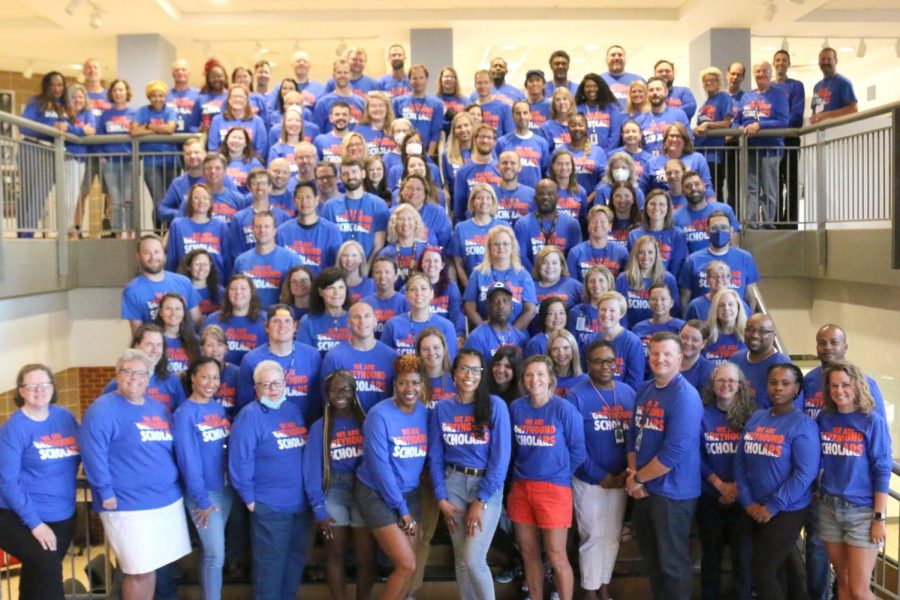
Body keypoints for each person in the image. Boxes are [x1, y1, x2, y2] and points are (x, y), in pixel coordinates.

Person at [81, 350, 192, 600]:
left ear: (149, 377)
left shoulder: (157, 408)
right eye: (128, 371)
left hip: (165, 502)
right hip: (127, 504)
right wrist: (104, 490)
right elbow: (93, 453)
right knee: (137, 571)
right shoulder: (102, 409)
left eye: (141, 373)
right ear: (117, 375)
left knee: (148, 568)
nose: (134, 378)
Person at [625, 332, 703, 600]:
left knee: (672, 563)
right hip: (645, 488)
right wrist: (634, 475)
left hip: (673, 493)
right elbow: (633, 436)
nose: (660, 359)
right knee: (653, 561)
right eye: (655, 353)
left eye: (667, 354)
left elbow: (674, 452)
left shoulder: (685, 396)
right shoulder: (645, 389)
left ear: (680, 359)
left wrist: (639, 479)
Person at [429, 349, 511, 600]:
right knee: (462, 559)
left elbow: (501, 458)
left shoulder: (495, 406)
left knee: (474, 559)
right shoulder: (442, 408)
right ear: (454, 372)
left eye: (476, 370)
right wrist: (441, 497)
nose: (469, 375)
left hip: (485, 485)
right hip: (452, 483)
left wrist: (482, 499)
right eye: (464, 368)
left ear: (482, 375)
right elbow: (434, 455)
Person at [229, 359, 312, 600]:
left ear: (285, 383)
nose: (273, 389)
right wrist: (249, 498)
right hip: (270, 506)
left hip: (298, 504)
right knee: (270, 570)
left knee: (294, 562)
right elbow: (239, 460)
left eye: (277, 383)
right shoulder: (249, 417)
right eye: (266, 384)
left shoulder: (293, 410)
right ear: (256, 388)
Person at [735, 363, 819, 600]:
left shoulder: (803, 425)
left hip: (786, 510)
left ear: (796, 389)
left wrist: (772, 506)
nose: (778, 388)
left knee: (762, 571)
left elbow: (804, 474)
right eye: (773, 382)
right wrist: (748, 501)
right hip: (753, 507)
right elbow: (740, 462)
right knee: (778, 570)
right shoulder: (756, 417)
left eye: (785, 383)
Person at [508, 355, 586, 600]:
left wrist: (557, 473)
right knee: (529, 554)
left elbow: (578, 451)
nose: (535, 379)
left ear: (551, 378)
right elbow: (512, 448)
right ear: (523, 379)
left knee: (556, 555)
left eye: (540, 374)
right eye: (529, 374)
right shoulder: (516, 407)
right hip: (521, 489)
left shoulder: (564, 409)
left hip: (554, 489)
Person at [0, 364, 79, 600]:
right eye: (31, 385)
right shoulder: (14, 428)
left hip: (62, 516)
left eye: (45, 384)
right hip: (18, 517)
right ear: (21, 391)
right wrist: (35, 524)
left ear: (52, 388)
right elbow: (7, 481)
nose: (39, 390)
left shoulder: (64, 417)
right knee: (49, 570)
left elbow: (85, 451)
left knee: (37, 576)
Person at [355, 354, 430, 600]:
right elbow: (380, 468)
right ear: (394, 385)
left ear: (423, 385)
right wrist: (401, 509)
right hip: (376, 493)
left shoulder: (424, 413)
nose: (409, 389)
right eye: (403, 383)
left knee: (411, 565)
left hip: (409, 493)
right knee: (406, 564)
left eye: (415, 382)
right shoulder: (379, 415)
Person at [816, 361, 891, 600]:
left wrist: (879, 518)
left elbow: (882, 469)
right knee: (844, 585)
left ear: (857, 386)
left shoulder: (872, 421)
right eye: (834, 386)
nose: (839, 390)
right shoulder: (824, 418)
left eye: (845, 385)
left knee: (860, 590)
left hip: (862, 512)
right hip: (829, 508)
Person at [568, 340, 636, 600]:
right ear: (588, 364)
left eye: (610, 361)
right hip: (590, 480)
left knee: (611, 537)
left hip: (621, 479)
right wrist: (601, 476)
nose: (605, 366)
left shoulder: (628, 393)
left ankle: (604, 585)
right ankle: (589, 590)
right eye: (598, 361)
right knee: (592, 535)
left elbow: (636, 438)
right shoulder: (577, 395)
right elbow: (575, 445)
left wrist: (624, 473)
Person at [302, 370, 375, 600]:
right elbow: (311, 469)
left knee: (366, 557)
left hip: (363, 489)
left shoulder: (367, 422)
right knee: (335, 554)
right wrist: (318, 507)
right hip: (333, 490)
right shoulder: (319, 427)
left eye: (344, 389)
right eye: (333, 389)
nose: (339, 394)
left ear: (354, 392)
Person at [172, 357, 232, 600]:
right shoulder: (184, 413)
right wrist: (201, 500)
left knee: (210, 554)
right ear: (193, 378)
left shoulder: (217, 408)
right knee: (216, 555)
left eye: (215, 377)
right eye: (205, 377)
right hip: (204, 495)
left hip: (225, 491)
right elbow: (188, 461)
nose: (211, 382)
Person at [697, 362, 755, 600]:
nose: (726, 385)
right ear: (712, 384)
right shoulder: (702, 413)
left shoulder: (753, 416)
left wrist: (737, 489)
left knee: (743, 557)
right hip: (710, 497)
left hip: (744, 500)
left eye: (731, 381)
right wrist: (719, 485)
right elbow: (695, 454)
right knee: (711, 556)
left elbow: (756, 458)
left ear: (740, 385)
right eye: (721, 380)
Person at [733, 61, 789, 227]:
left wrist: (760, 125)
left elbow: (783, 121)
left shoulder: (778, 95)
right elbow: (736, 121)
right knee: (751, 188)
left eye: (765, 71)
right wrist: (740, 128)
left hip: (771, 149)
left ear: (770, 74)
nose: (761, 74)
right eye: (758, 71)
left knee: (769, 188)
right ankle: (751, 222)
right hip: (749, 149)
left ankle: (767, 223)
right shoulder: (746, 97)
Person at [678, 210, 760, 312]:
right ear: (707, 231)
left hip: (734, 321)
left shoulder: (745, 258)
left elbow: (750, 297)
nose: (719, 232)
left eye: (724, 228)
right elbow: (684, 298)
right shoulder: (692, 260)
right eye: (714, 228)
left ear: (731, 231)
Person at [464, 225, 538, 330]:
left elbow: (530, 310)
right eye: (496, 244)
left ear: (512, 247)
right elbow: (469, 307)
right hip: (485, 333)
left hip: (516, 334)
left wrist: (510, 334)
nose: (501, 247)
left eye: (505, 244)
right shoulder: (478, 273)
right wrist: (486, 332)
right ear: (489, 247)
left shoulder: (523, 275)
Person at [122, 234, 202, 332]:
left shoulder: (184, 282)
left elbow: (198, 321)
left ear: (164, 254)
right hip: (156, 346)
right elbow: (138, 334)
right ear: (138, 256)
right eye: (147, 253)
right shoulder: (132, 290)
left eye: (157, 252)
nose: (153, 257)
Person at [130, 80, 178, 230]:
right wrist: (159, 129)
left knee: (171, 201)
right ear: (149, 97)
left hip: (172, 161)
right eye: (154, 96)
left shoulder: (171, 111)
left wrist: (149, 126)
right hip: (151, 162)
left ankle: (171, 233)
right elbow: (134, 131)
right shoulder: (142, 111)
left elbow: (170, 129)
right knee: (159, 200)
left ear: (166, 97)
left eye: (161, 95)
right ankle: (157, 233)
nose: (158, 99)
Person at [320, 159, 390, 261]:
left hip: (367, 268)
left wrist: (366, 268)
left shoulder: (379, 205)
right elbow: (326, 242)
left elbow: (379, 244)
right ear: (340, 177)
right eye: (345, 173)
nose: (350, 177)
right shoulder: (329, 207)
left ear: (363, 174)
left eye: (354, 172)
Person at [382, 273, 458, 358]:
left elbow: (449, 364)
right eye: (413, 289)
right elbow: (385, 360)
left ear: (431, 293)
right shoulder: (392, 325)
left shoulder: (446, 326)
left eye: (423, 288)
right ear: (406, 295)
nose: (418, 293)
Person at [513, 179, 583, 270]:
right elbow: (521, 257)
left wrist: (557, 275)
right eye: (541, 194)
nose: (545, 197)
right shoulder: (522, 224)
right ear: (535, 199)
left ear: (558, 198)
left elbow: (574, 258)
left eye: (550, 194)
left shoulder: (572, 224)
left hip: (563, 278)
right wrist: (537, 274)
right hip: (533, 278)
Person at [276, 180, 343, 274]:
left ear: (316, 200)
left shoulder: (332, 231)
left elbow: (336, 267)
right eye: (300, 197)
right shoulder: (282, 232)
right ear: (294, 201)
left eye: (308, 197)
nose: (304, 202)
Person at [98, 79, 138, 234]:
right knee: (115, 200)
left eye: (121, 90)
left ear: (127, 92)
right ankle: (117, 234)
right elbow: (99, 135)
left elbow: (139, 135)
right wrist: (102, 155)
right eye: (114, 90)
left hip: (129, 161)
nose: (118, 93)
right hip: (110, 162)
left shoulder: (134, 113)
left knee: (128, 199)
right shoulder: (105, 114)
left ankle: (129, 233)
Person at [165, 183, 230, 279]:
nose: (201, 201)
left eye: (205, 198)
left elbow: (227, 260)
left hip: (215, 285)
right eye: (196, 198)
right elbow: (172, 260)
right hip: (185, 283)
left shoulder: (221, 226)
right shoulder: (177, 225)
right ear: (190, 201)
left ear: (211, 202)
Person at [204, 274, 268, 365]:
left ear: (251, 292)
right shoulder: (212, 320)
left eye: (243, 288)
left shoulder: (265, 320)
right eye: (233, 289)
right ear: (227, 293)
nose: (238, 292)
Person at [615, 235, 680, 326]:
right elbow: (617, 310)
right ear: (635, 255)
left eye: (650, 252)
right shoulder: (623, 279)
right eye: (641, 252)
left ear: (656, 254)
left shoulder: (668, 279)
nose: (646, 257)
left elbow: (674, 311)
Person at [772, 50, 806, 227]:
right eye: (777, 60)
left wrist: (776, 126)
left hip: (789, 140)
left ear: (789, 64)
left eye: (784, 60)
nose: (780, 63)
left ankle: (791, 221)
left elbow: (797, 115)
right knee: (774, 181)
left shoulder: (796, 86)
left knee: (790, 180)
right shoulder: (768, 88)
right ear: (773, 63)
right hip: (771, 142)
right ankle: (776, 219)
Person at [731, 313, 792, 408]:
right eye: (750, 330)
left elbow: (788, 412)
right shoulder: (735, 360)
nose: (754, 335)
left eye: (762, 331)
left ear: (773, 335)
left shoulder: (784, 366)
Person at [639, 123, 714, 200]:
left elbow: (707, 186)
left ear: (685, 141)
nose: (674, 139)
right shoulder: (652, 162)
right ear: (665, 141)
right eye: (671, 136)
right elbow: (641, 190)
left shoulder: (697, 159)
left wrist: (713, 207)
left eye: (678, 136)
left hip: (691, 205)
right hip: (660, 206)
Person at [587, 291, 645, 391]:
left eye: (612, 310)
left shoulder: (632, 342)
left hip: (622, 399)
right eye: (603, 310)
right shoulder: (589, 341)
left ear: (621, 313)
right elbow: (585, 375)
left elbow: (635, 382)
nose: (606, 314)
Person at [674, 171, 741, 254]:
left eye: (697, 184)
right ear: (683, 192)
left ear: (704, 186)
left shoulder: (725, 210)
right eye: (688, 186)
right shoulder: (676, 217)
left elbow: (734, 246)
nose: (693, 188)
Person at [451, 184, 504, 286]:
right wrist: (469, 288)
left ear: (493, 201)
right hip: (471, 285)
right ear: (472, 202)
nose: (484, 202)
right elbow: (458, 264)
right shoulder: (460, 228)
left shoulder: (503, 226)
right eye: (480, 198)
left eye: (488, 198)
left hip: (500, 287)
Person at [693, 67, 734, 196]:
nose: (708, 83)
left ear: (719, 83)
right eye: (706, 81)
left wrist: (708, 124)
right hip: (700, 152)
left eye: (712, 80)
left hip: (714, 154)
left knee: (714, 188)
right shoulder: (704, 104)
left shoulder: (724, 98)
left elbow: (726, 123)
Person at [627, 190, 688, 276]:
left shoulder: (678, 235)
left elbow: (676, 269)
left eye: (661, 204)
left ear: (668, 208)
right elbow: (633, 267)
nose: (656, 208)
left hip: (667, 285)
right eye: (652, 204)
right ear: (646, 207)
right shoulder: (634, 235)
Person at [464, 282, 529, 359]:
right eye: (495, 301)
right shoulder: (476, 338)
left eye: (505, 300)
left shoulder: (521, 338)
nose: (501, 306)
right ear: (488, 305)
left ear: (512, 305)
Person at [452, 123, 502, 222]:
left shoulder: (501, 169)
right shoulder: (463, 172)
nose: (485, 140)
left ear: (495, 142)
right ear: (475, 140)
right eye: (482, 137)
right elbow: (459, 211)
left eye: (489, 137)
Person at [296, 267, 352, 355]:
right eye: (331, 288)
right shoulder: (308, 321)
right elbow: (303, 356)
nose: (336, 293)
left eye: (341, 287)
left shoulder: (355, 319)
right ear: (320, 292)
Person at [392, 64, 444, 156]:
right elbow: (393, 130)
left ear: (427, 79)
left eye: (421, 77)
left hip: (425, 153)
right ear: (409, 80)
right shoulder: (398, 102)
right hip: (402, 153)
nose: (418, 81)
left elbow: (435, 133)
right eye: (414, 78)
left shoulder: (437, 104)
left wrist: (429, 156)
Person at [417, 246, 467, 343]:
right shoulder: (411, 287)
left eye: (436, 261)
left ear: (442, 265)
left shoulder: (451, 287)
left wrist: (459, 336)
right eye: (427, 261)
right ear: (421, 264)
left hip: (445, 339)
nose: (431, 265)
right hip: (418, 338)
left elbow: (457, 316)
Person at [568, 205, 629, 281]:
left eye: (602, 221)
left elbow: (624, 282)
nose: (598, 225)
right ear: (588, 227)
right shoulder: (575, 253)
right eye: (594, 221)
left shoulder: (622, 252)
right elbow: (573, 284)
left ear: (610, 226)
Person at [498, 103, 550, 192]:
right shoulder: (502, 142)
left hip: (534, 195)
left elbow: (545, 173)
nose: (522, 117)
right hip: (506, 194)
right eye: (518, 113)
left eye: (525, 113)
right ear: (512, 116)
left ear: (530, 115)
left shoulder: (542, 143)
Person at [158, 137, 208, 225]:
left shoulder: (217, 178)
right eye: (188, 154)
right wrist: (181, 213)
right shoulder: (177, 183)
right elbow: (162, 210)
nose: (192, 156)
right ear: (184, 157)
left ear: (205, 154)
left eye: (196, 152)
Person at [567, 265, 617, 351]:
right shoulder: (576, 312)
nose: (596, 285)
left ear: (609, 283)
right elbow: (572, 345)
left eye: (601, 280)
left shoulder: (617, 311)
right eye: (592, 281)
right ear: (586, 285)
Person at [683, 261, 751, 322]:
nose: (719, 280)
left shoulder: (741, 305)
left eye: (723, 276)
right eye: (715, 277)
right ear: (707, 280)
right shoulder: (695, 306)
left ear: (729, 279)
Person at [640, 77, 689, 157]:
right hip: (649, 166)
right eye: (651, 90)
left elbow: (688, 143)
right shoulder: (640, 120)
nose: (655, 93)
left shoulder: (679, 115)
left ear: (666, 92)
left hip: (674, 165)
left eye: (658, 89)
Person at [313, 59, 366, 132]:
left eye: (345, 73)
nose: (342, 76)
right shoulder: (323, 103)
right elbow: (318, 131)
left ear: (351, 75)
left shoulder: (361, 102)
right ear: (333, 75)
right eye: (339, 72)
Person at [199, 324, 240, 417]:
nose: (215, 350)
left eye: (219, 345)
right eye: (210, 345)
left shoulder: (237, 373)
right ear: (202, 349)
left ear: (226, 348)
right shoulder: (195, 374)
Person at [361, 257, 410, 336]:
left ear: (396, 276)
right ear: (373, 276)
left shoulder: (405, 302)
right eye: (378, 272)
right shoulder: (363, 304)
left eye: (387, 272)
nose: (383, 276)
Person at [574, 73, 622, 152]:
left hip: (608, 155)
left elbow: (614, 136)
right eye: (588, 86)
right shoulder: (577, 108)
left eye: (595, 86)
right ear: (583, 89)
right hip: (583, 154)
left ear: (601, 88)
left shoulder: (612, 108)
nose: (591, 89)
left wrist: (603, 155)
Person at [154, 292, 200, 374]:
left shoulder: (195, 340)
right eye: (168, 309)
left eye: (177, 309)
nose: (173, 313)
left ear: (183, 312)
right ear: (161, 312)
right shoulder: (154, 340)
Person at [810, 47, 858, 124]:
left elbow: (853, 109)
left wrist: (827, 115)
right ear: (819, 62)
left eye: (829, 59)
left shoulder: (843, 82)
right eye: (823, 59)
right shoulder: (817, 87)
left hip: (838, 130)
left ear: (835, 61)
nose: (826, 62)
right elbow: (815, 110)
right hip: (821, 131)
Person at [532, 245, 583, 313]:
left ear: (561, 266)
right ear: (538, 266)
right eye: (544, 263)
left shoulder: (574, 286)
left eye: (554, 263)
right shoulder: (530, 287)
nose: (549, 266)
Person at [703, 289, 748, 364]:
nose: (726, 308)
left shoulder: (748, 335)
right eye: (721, 305)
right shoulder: (705, 334)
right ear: (715, 310)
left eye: (730, 304)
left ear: (738, 308)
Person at [178, 248, 223, 317]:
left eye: (205, 264)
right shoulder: (182, 291)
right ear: (188, 267)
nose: (201, 268)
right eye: (197, 264)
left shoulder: (220, 291)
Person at [188, 60, 228, 134]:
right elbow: (192, 126)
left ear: (225, 77)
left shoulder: (232, 97)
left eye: (219, 76)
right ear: (208, 79)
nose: (216, 79)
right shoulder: (200, 99)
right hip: (206, 141)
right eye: (212, 77)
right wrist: (199, 130)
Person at [546, 329, 588, 397]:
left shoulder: (586, 381)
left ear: (573, 350)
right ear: (550, 353)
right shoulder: (543, 379)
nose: (561, 353)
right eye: (555, 349)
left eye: (566, 348)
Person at [679, 319, 716, 394]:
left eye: (695, 340)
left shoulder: (709, 370)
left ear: (703, 343)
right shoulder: (667, 361)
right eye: (684, 337)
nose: (688, 343)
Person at [540, 87, 576, 151]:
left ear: (571, 101)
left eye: (565, 99)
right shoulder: (546, 128)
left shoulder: (578, 125)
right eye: (558, 100)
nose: (562, 102)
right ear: (553, 104)